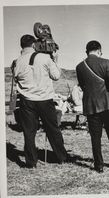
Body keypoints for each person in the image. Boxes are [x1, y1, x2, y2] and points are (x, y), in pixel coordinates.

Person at [13, 34, 69, 168]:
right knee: (53, 129)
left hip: (27, 101)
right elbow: (56, 76)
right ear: (34, 45)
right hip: (44, 99)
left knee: (29, 132)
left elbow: (16, 78)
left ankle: (31, 162)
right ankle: (62, 157)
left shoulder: (16, 61)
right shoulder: (44, 58)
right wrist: (55, 60)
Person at [76, 40, 109, 173]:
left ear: (87, 52)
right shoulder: (105, 62)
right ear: (99, 50)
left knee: (95, 138)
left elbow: (82, 86)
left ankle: (99, 165)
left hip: (91, 106)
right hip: (108, 104)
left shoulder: (79, 67)